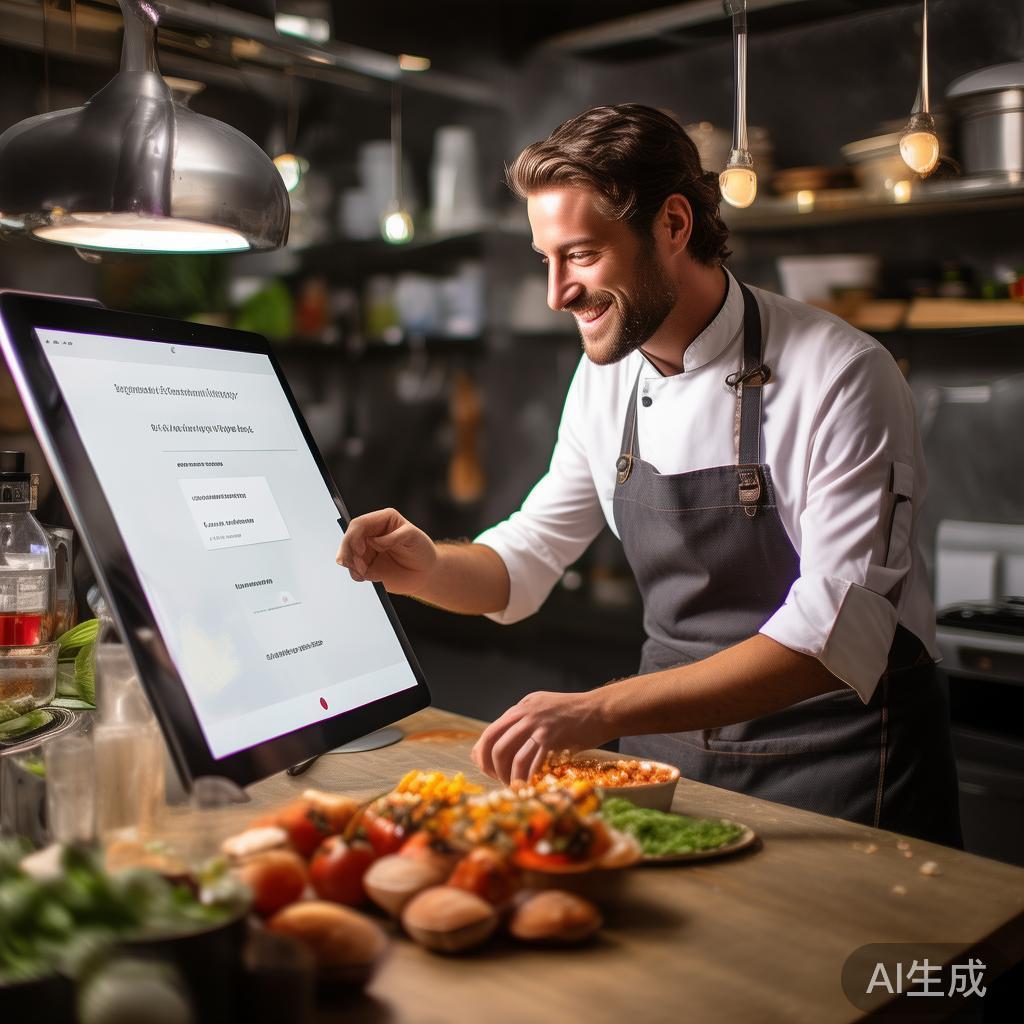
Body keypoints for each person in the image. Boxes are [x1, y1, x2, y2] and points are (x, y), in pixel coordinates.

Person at [338, 104, 961, 846]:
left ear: (672, 225)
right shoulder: (607, 379)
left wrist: (599, 712)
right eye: (547, 259)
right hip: (668, 772)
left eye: (582, 255)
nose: (557, 293)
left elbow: (834, 634)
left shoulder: (843, 374)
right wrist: (428, 566)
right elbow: (525, 559)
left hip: (838, 773)